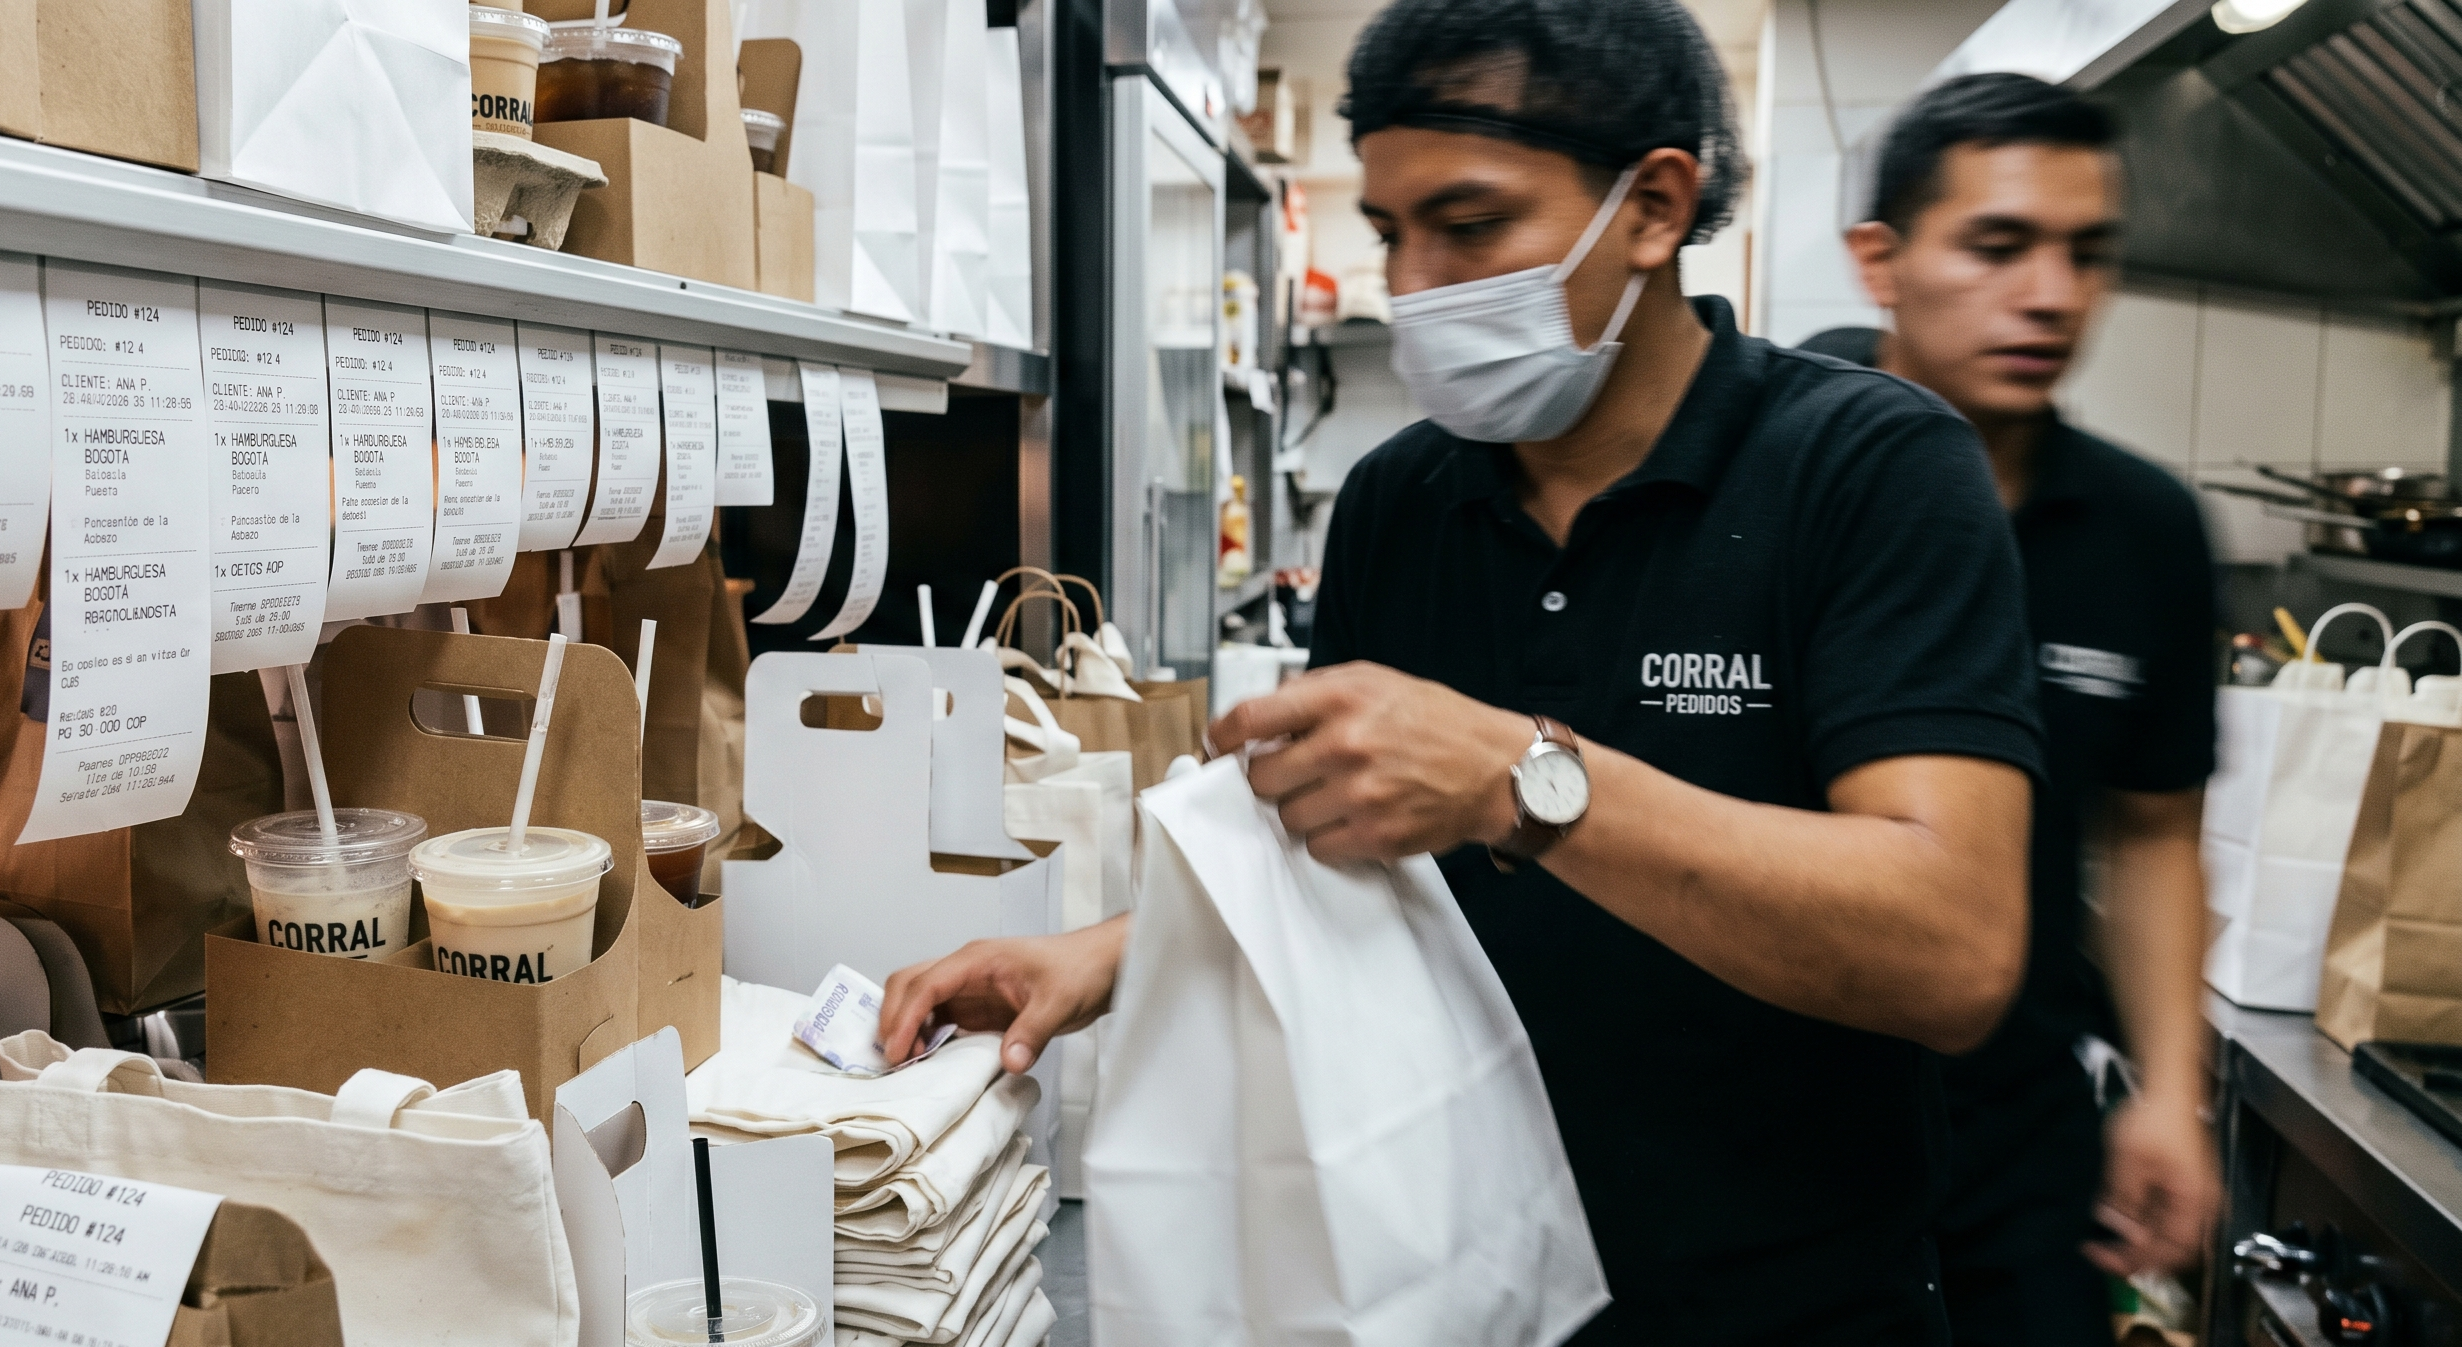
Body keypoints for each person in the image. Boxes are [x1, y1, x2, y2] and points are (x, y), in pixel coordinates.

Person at [881, 0, 2049, 1340]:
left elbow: (1951, 946)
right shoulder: (1399, 500)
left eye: (1474, 224)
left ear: (1656, 206)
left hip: (1785, 1302)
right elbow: (1356, 883)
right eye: (1391, 232)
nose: (1418, 282)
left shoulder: (1872, 469)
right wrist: (1106, 956)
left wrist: (1520, 779)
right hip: (1452, 1284)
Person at [1801, 74, 2221, 1346]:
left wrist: (2168, 1096)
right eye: (1996, 246)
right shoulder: (1772, 452)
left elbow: (2150, 829)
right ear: (1879, 261)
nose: (2049, 295)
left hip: (2020, 1147)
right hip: (1769, 1133)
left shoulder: (2141, 529)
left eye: (2085, 254)